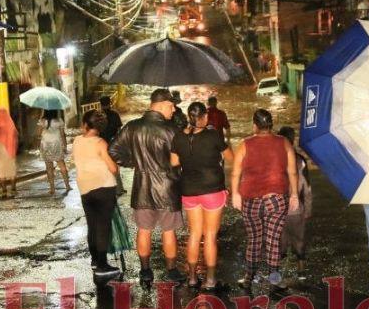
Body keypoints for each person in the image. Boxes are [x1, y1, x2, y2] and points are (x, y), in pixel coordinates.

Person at [109, 88, 185, 283]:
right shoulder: (172, 130)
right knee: (169, 231)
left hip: (141, 188)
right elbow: (182, 159)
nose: (174, 110)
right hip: (168, 189)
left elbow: (113, 150)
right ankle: (171, 271)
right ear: (160, 105)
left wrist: (134, 162)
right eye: (171, 106)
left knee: (144, 230)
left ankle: (145, 271)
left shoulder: (132, 127)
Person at [230, 109, 299, 287]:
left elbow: (235, 173)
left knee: (254, 239)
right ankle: (274, 279)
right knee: (273, 240)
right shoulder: (283, 142)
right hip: (276, 200)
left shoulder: (244, 144)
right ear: (271, 124)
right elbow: (292, 171)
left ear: (255, 125)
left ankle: (249, 277)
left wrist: (235, 194)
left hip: (251, 200)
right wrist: (294, 195)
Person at [172, 101, 233, 288]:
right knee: (210, 235)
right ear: (204, 117)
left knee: (194, 234)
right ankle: (210, 279)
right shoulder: (213, 135)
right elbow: (231, 158)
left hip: (189, 191)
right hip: (212, 190)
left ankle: (191, 277)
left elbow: (174, 162)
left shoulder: (178, 137)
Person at [73, 109, 121, 278]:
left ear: (86, 125)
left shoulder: (77, 141)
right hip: (103, 187)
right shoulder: (101, 143)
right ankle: (102, 266)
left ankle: (95, 260)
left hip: (85, 188)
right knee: (103, 227)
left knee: (92, 225)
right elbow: (113, 168)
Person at [277, 126, 312, 281]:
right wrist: (308, 209)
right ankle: (301, 268)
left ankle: (278, 271)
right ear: (293, 140)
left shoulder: (273, 159)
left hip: (277, 208)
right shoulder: (300, 160)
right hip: (297, 208)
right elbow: (307, 188)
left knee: (280, 240)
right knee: (299, 238)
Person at [39, 110, 70, 195]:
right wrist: (65, 146)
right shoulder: (59, 120)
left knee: (49, 168)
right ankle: (67, 185)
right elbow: (62, 134)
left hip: (45, 144)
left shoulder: (42, 120)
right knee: (62, 165)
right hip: (57, 143)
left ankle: (52, 189)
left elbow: (38, 133)